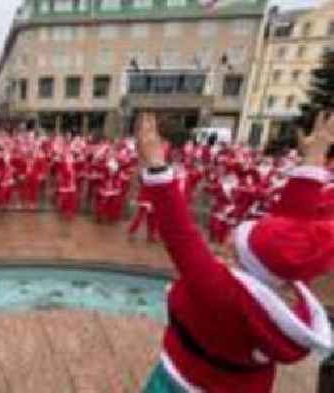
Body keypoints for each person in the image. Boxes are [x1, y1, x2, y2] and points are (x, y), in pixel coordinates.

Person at [136, 111, 334, 393]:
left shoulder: (221, 290)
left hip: (182, 380)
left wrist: (156, 166)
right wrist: (314, 159)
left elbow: (180, 233)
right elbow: (290, 231)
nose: (229, 243)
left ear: (251, 264)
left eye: (239, 247)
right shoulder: (288, 296)